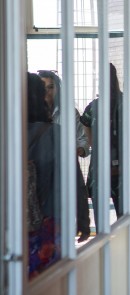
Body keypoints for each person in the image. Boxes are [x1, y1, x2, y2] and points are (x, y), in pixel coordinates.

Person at [81, 63, 130, 230]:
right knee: (125, 224)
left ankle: (103, 255)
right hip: (124, 173)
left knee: (101, 227)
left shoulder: (93, 108)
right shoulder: (128, 105)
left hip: (99, 172)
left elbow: (90, 139)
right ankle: (124, 254)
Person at [38, 70, 91, 243]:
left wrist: (75, 151)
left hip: (63, 178)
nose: (47, 91)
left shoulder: (69, 112)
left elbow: (82, 140)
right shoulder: (30, 115)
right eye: (42, 87)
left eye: (51, 87)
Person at [27, 72, 61, 277]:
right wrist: (82, 218)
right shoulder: (54, 132)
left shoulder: (8, 132)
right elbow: (70, 177)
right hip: (48, 221)